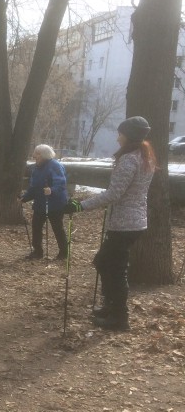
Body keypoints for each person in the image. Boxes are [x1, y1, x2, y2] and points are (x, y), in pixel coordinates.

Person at [63, 116, 156, 331]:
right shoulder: (144, 157)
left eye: (120, 133)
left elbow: (114, 193)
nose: (117, 137)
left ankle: (119, 318)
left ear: (129, 135)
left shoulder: (130, 160)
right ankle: (111, 307)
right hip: (133, 221)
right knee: (104, 262)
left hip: (125, 224)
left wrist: (80, 206)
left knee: (115, 268)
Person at [19, 144, 69, 260]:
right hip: (40, 203)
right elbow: (33, 187)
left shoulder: (55, 166)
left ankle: (63, 253)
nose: (34, 156)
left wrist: (52, 190)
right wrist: (24, 198)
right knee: (36, 227)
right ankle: (37, 252)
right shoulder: (36, 168)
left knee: (57, 228)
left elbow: (61, 183)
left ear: (43, 155)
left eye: (36, 153)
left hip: (55, 204)